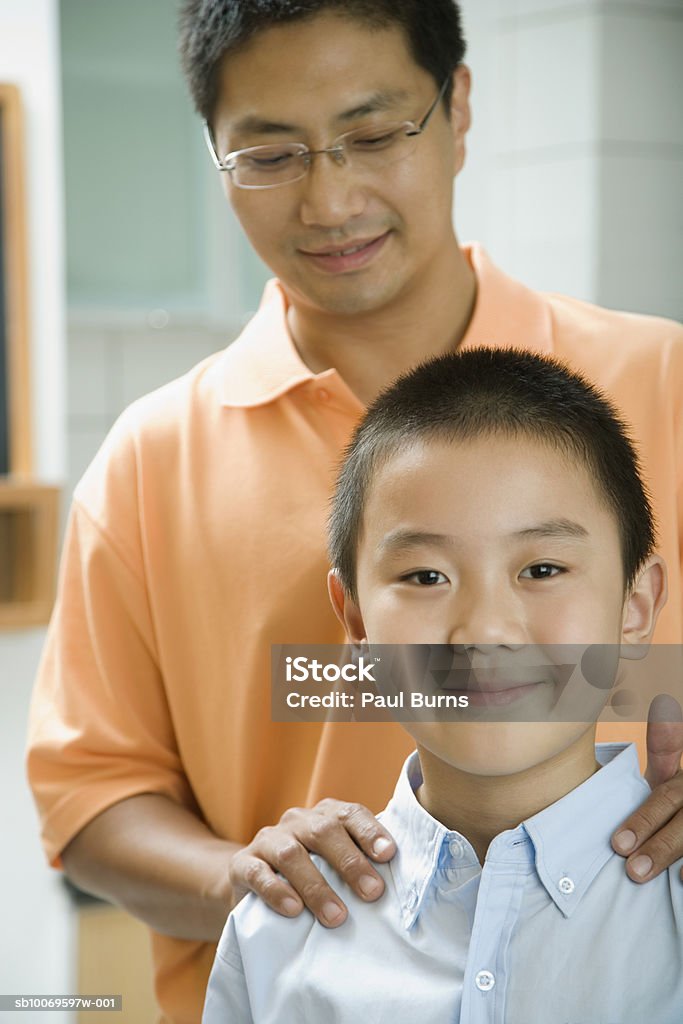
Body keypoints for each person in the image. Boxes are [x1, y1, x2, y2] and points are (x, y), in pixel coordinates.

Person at [27, 2, 683, 1021]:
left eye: (372, 136)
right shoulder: (148, 466)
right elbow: (89, 797)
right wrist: (251, 879)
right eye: (269, 154)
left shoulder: (663, 384)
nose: (329, 200)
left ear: (455, 106)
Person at [202, 348, 682, 1023]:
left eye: (542, 569)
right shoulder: (280, 928)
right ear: (358, 622)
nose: (484, 629)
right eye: (425, 577)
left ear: (634, 606)